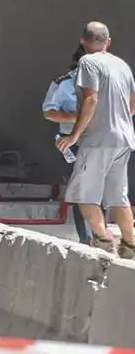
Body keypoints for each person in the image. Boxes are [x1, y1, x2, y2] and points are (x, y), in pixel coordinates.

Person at [57, 22, 135, 256]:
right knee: (118, 196)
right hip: (124, 138)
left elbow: (90, 100)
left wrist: (74, 135)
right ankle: (130, 245)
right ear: (108, 42)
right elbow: (133, 103)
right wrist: (119, 120)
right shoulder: (122, 65)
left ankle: (103, 241)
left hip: (99, 140)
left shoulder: (88, 62)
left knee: (84, 194)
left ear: (83, 41)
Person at [42, 45, 92, 245]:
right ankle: (86, 238)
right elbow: (48, 112)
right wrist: (75, 117)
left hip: (100, 144)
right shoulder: (64, 84)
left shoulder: (107, 83)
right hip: (74, 144)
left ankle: (99, 235)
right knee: (81, 192)